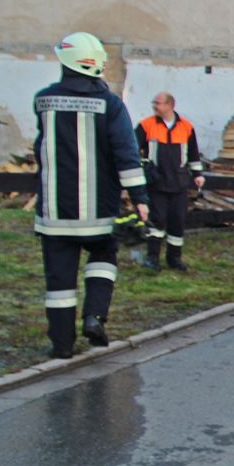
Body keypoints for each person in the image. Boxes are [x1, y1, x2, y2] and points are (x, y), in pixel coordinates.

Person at [34, 32, 150, 359]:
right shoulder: (110, 105)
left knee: (59, 281)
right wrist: (140, 197)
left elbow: (39, 150)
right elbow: (125, 154)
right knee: (103, 257)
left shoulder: (43, 101)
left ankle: (61, 345)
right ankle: (94, 316)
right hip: (97, 211)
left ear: (65, 61)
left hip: (54, 213)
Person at [135, 92, 205, 271]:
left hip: (179, 183)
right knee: (156, 221)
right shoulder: (146, 125)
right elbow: (133, 149)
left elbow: (193, 153)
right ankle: (152, 259)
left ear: (170, 105)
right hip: (156, 183)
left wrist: (197, 174)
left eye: (157, 103)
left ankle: (174, 259)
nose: (154, 106)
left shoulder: (186, 127)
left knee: (177, 221)